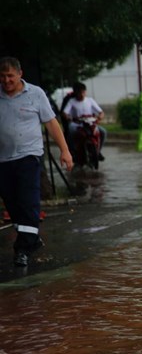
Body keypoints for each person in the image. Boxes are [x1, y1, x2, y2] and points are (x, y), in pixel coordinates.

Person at [0, 57, 73, 267]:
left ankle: (22, 249)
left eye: (10, 76)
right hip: (3, 158)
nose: (6, 81)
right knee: (12, 203)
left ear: (20, 74)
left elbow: (51, 123)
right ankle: (32, 238)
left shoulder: (35, 94)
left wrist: (65, 151)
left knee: (28, 200)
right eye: (3, 77)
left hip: (29, 156)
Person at [61, 81, 106, 161]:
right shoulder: (71, 101)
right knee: (70, 133)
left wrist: (99, 117)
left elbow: (101, 112)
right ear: (75, 93)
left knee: (103, 132)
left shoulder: (90, 100)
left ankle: (98, 151)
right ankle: (73, 152)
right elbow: (65, 113)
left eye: (83, 92)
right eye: (79, 93)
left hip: (90, 123)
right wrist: (69, 117)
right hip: (77, 124)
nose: (82, 95)